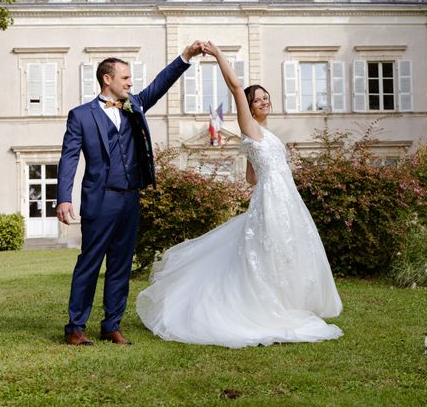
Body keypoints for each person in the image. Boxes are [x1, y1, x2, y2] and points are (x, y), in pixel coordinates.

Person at [136, 41, 343, 348]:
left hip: (281, 195)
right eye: (256, 99)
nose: (263, 102)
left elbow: (249, 177)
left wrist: (264, 169)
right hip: (274, 196)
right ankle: (264, 307)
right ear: (247, 106)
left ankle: (286, 302)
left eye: (265, 98)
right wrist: (218, 54)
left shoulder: (262, 135)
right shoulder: (249, 127)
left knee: (282, 250)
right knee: (270, 249)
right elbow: (235, 86)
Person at [56, 41, 204, 346]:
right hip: (100, 198)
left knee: (121, 264)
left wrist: (185, 57)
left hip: (130, 197)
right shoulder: (81, 116)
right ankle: (75, 328)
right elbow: (69, 157)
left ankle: (111, 325)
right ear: (107, 79)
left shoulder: (134, 105)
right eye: (125, 78)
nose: (131, 83)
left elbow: (159, 85)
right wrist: (64, 197)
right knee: (90, 262)